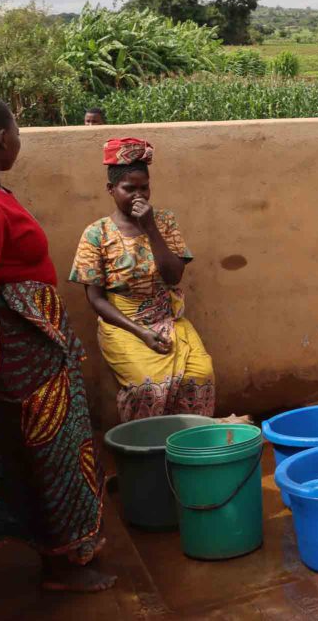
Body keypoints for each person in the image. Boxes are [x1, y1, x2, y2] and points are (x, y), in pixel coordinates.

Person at [0, 95, 114, 593]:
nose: (18, 138)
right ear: (1, 140)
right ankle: (63, 567)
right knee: (52, 460)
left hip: (29, 352)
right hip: (23, 368)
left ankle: (62, 560)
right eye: (15, 130)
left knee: (45, 458)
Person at [69, 138, 215, 423]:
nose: (139, 195)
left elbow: (173, 276)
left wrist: (150, 230)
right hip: (122, 324)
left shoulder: (164, 222)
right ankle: (146, 454)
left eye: (144, 187)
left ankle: (187, 450)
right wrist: (140, 332)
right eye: (129, 188)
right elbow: (95, 299)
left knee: (200, 374)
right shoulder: (96, 234)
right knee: (148, 388)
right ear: (111, 190)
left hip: (168, 319)